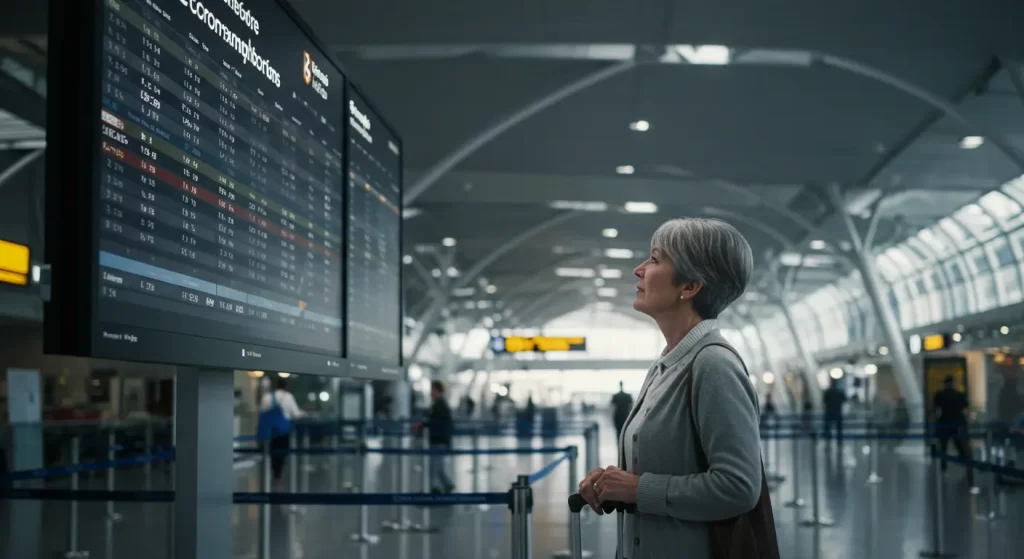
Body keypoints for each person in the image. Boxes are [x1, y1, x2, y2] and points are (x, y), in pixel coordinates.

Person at [578, 218, 773, 559]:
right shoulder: (667, 364)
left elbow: (739, 488)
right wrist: (616, 483)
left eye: (654, 260)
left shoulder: (713, 364)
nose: (639, 269)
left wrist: (639, 489)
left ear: (691, 286)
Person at [259, 377, 305, 482]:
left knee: (271, 451)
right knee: (282, 451)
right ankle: (279, 473)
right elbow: (295, 414)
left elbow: (262, 411)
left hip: (270, 430)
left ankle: (272, 471)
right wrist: (303, 413)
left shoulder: (267, 397)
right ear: (286, 386)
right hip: (283, 430)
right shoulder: (288, 397)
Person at [933, 376, 973, 483]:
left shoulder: (940, 395)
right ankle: (963, 466)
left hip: (944, 424)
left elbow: (937, 411)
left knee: (943, 448)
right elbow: (965, 410)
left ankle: (943, 470)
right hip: (957, 424)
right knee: (960, 447)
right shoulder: (959, 395)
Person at [421, 380, 455, 493]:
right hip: (440, 440)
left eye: (432, 390)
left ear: (436, 390)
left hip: (438, 440)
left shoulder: (440, 405)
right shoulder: (439, 404)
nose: (431, 393)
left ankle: (434, 488)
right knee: (438, 467)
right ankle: (448, 484)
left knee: (434, 467)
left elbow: (437, 422)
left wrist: (425, 424)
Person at [822, 379, 846, 444]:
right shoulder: (839, 392)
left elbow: (824, 400)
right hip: (837, 412)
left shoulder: (828, 392)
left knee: (829, 429)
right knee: (838, 429)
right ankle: (838, 441)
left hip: (830, 412)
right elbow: (844, 399)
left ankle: (828, 441)